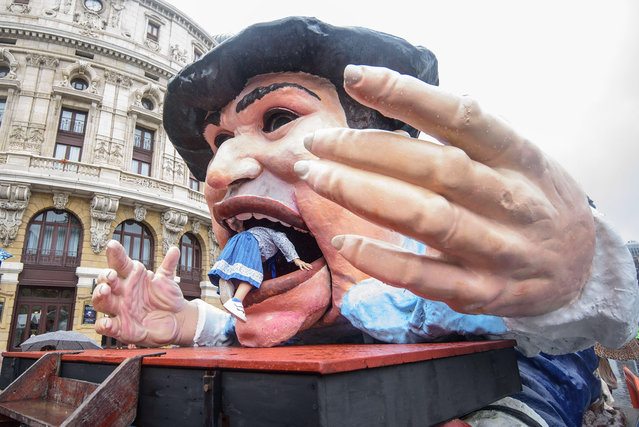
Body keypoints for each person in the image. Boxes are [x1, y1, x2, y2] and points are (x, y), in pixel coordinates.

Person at [92, 17, 638, 425]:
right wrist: (188, 324)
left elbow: (572, 341)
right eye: (220, 143)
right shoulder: (302, 298)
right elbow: (240, 333)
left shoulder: (455, 265)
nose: (220, 173)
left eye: (278, 118)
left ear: (390, 155)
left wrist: (577, 275)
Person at [210, 217, 313, 321]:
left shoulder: (256, 231)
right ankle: (237, 301)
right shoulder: (276, 233)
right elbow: (283, 241)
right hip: (250, 242)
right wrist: (296, 259)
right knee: (253, 274)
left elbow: (239, 227)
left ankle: (228, 281)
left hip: (237, 240)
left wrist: (234, 222)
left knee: (238, 270)